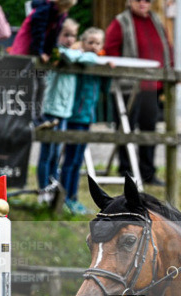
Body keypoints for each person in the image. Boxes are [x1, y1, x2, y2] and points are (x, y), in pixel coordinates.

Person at [103, 0, 173, 186]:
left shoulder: (156, 20)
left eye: (147, 0)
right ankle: (126, 173)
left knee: (149, 129)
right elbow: (110, 49)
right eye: (138, 0)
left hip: (152, 87)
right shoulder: (121, 21)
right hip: (128, 86)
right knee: (127, 128)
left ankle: (148, 173)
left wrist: (169, 71)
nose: (143, 3)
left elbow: (166, 46)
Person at [35, 19, 100, 203]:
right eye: (66, 35)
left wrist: (79, 53)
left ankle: (53, 189)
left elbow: (92, 57)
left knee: (57, 154)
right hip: (51, 108)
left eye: (72, 35)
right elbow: (67, 56)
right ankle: (43, 191)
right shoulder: (56, 52)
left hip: (65, 111)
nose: (69, 39)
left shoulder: (75, 53)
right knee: (47, 152)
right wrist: (76, 53)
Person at [59, 28, 108, 215]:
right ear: (83, 42)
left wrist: (106, 70)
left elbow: (105, 88)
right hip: (75, 116)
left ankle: (73, 198)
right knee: (70, 159)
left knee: (78, 159)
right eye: (90, 42)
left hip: (88, 116)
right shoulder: (79, 62)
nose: (94, 46)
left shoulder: (97, 64)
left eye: (98, 43)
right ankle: (64, 197)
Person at [8, 0, 76, 60]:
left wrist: (53, 55)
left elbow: (54, 36)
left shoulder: (61, 14)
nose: (66, 10)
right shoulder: (45, 8)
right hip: (29, 42)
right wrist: (39, 53)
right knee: (20, 61)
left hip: (41, 46)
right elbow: (38, 32)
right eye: (65, 6)